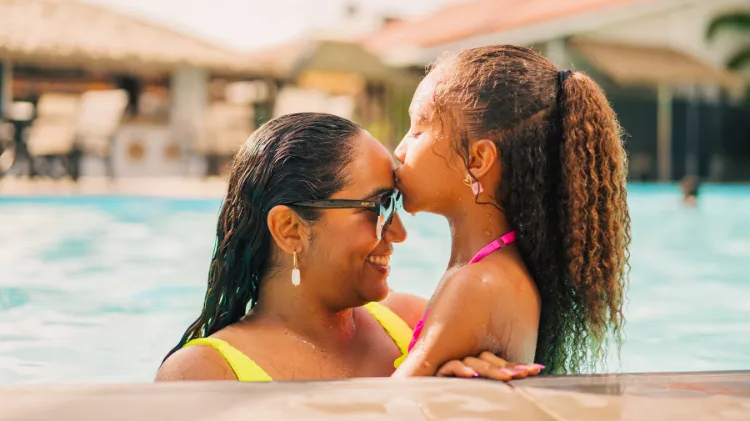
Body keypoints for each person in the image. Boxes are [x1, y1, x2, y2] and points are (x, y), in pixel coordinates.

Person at [156, 112, 536, 382]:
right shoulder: (203, 373)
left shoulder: (417, 323)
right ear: (290, 229)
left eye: (394, 204)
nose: (399, 233)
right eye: (377, 207)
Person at [393, 45, 631, 376]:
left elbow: (389, 406)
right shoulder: (492, 270)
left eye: (418, 130)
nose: (399, 149)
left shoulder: (477, 284)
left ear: (476, 161)